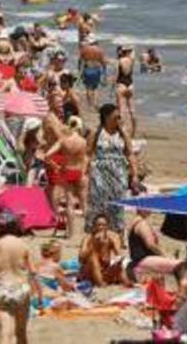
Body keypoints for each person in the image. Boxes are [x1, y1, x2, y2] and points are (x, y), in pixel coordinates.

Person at [0, 212, 42, 344]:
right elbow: (33, 272)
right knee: (21, 332)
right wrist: (40, 294)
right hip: (21, 288)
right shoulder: (23, 244)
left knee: (5, 332)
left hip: (2, 288)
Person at [85, 103, 135, 234]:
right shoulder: (96, 132)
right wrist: (87, 171)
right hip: (99, 172)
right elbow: (88, 153)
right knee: (98, 203)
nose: (119, 120)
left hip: (118, 172)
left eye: (119, 117)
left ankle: (118, 233)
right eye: (116, 117)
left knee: (118, 204)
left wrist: (134, 174)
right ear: (106, 117)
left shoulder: (123, 133)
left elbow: (130, 153)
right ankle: (96, 233)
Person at [41, 116, 88, 239]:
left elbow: (47, 156)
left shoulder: (63, 141)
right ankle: (89, 231)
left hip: (67, 171)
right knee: (84, 204)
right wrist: (84, 171)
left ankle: (70, 233)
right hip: (79, 172)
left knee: (69, 203)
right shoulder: (83, 141)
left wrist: (56, 166)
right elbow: (85, 159)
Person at [79, 214, 128, 287]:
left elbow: (120, 257)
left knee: (118, 263)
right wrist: (93, 245)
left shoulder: (113, 236)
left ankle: (127, 283)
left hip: (105, 270)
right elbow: (80, 258)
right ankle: (101, 284)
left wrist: (114, 243)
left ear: (107, 226)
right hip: (90, 271)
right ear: (94, 226)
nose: (101, 227)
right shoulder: (88, 238)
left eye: (103, 225)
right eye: (98, 225)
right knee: (93, 258)